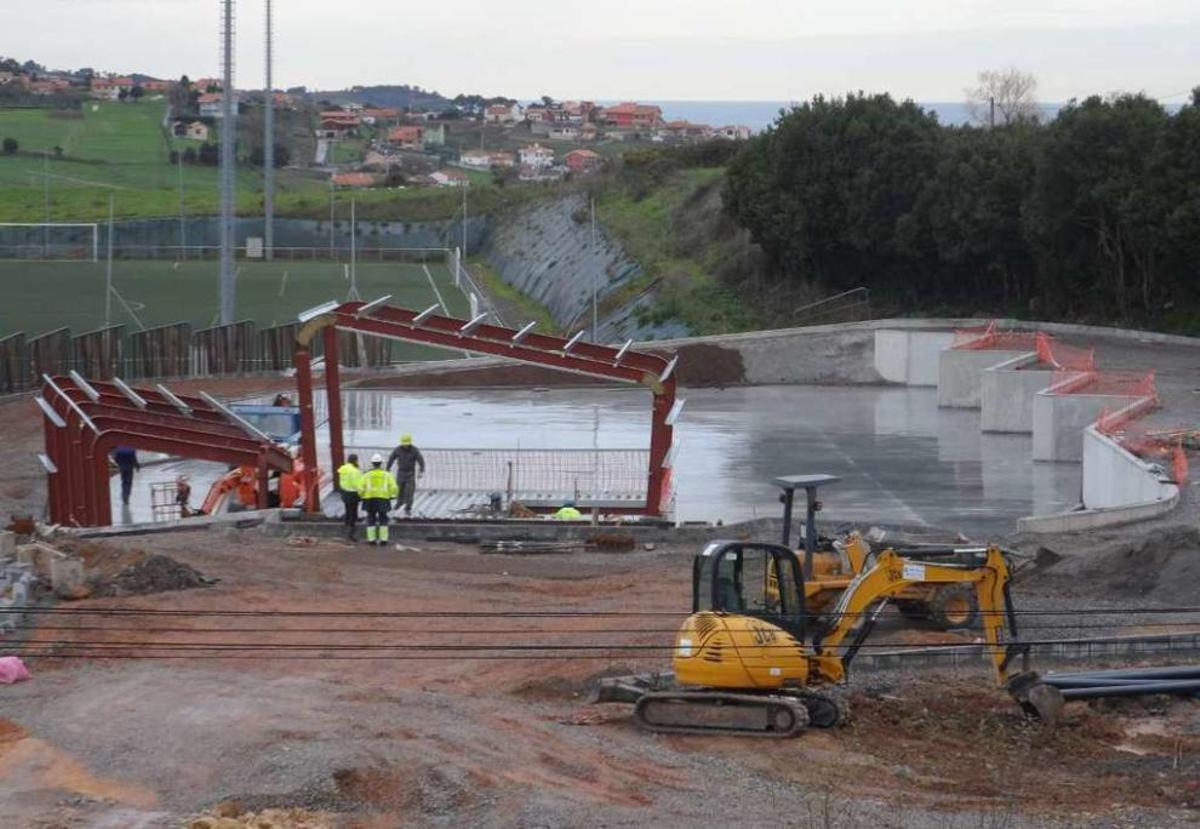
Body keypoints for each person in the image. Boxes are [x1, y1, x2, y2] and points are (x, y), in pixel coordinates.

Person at [357, 453, 398, 547]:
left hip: (369, 499)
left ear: (372, 463)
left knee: (371, 519)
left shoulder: (366, 475)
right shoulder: (387, 475)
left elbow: (360, 487)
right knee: (383, 519)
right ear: (381, 463)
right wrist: (392, 495)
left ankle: (372, 540)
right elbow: (394, 487)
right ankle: (383, 540)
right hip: (383, 499)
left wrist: (361, 496)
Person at [386, 434, 425, 518]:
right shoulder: (397, 450)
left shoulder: (415, 450)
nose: (405, 446)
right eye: (404, 444)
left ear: (410, 443)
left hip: (410, 474)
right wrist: (387, 469)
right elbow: (391, 459)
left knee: (410, 492)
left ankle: (408, 508)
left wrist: (421, 471)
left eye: (407, 444)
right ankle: (399, 503)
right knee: (399, 490)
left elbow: (421, 461)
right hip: (401, 473)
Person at [336, 453, 363, 542]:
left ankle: (346, 529)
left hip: (345, 492)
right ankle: (350, 534)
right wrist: (362, 493)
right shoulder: (354, 471)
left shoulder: (343, 469)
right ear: (355, 460)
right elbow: (357, 484)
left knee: (348, 511)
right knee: (353, 514)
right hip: (353, 493)